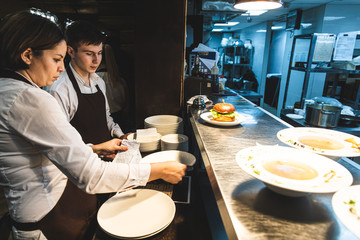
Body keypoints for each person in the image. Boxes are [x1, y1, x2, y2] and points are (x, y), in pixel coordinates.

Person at [0, 11, 186, 240]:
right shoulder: (31, 98)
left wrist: (94, 148)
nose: (60, 67)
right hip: (49, 217)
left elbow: (47, 149)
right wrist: (158, 170)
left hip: (55, 210)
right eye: (56, 59)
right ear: (28, 55)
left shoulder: (10, 91)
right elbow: (89, 174)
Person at [48, 21, 128, 154]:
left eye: (100, 53)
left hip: (106, 158)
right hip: (81, 163)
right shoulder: (59, 89)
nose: (97, 60)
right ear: (71, 52)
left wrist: (121, 135)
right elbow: (61, 143)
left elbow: (106, 117)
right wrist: (97, 150)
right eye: (89, 54)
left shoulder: (99, 82)